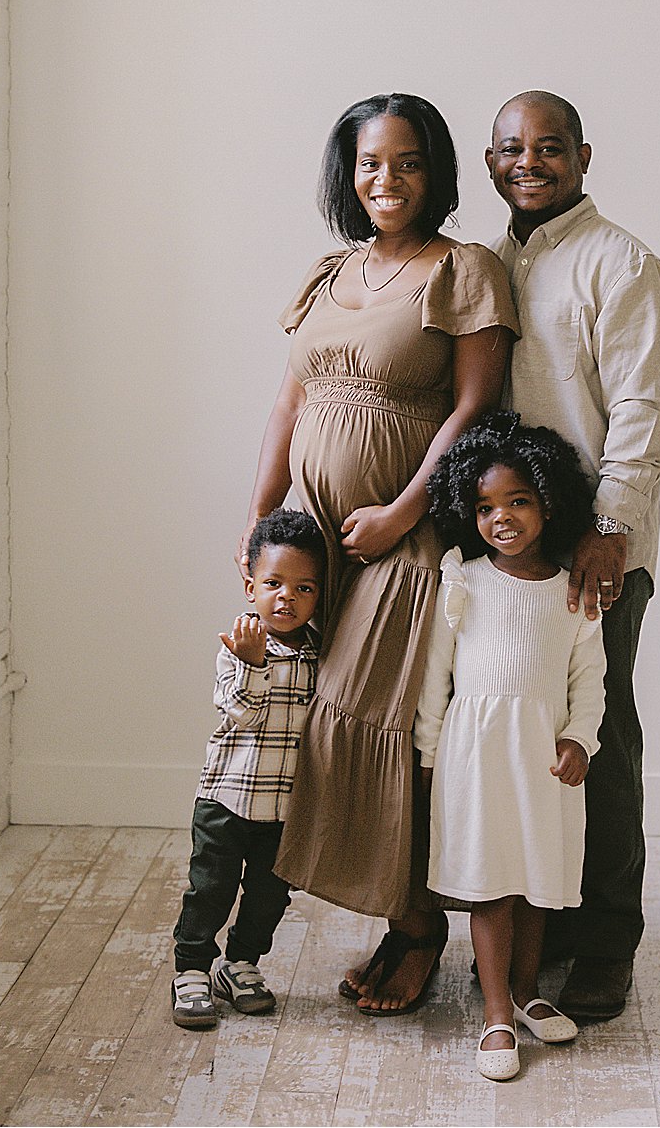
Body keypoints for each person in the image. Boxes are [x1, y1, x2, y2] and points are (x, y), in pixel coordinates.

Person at [237, 93, 519, 1014]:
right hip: (315, 534)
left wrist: (403, 512)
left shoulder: (464, 269)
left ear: (434, 172)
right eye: (367, 163)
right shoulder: (329, 273)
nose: (384, 180)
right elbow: (289, 405)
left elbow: (475, 407)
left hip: (404, 531)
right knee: (312, 716)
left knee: (372, 723)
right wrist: (259, 524)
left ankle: (417, 929)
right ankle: (396, 920)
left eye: (404, 163)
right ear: (345, 174)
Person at [485, 90, 660, 1023]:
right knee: (514, 744)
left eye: (549, 147)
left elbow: (644, 411)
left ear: (583, 155)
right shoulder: (486, 265)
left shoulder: (623, 264)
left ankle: (605, 945)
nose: (529, 162)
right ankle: (541, 931)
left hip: (592, 551)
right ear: (489, 163)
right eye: (511, 149)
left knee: (598, 745)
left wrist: (608, 532)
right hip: (498, 550)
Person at [415, 412, 607, 1079]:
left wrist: (580, 737)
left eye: (517, 501)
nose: (500, 517)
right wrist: (430, 754)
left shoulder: (572, 592)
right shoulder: (462, 580)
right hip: (475, 759)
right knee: (492, 885)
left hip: (541, 761)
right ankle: (495, 1010)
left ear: (548, 501)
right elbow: (435, 676)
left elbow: (589, 679)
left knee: (533, 883)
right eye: (484, 505)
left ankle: (526, 990)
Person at [170, 507, 324, 1029]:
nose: (287, 597)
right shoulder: (238, 645)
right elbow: (240, 712)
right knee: (210, 887)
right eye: (275, 583)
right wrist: (255, 664)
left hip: (283, 808)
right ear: (250, 585)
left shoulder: (318, 653)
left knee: (268, 895)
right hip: (228, 798)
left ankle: (240, 965)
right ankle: (191, 969)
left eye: (304, 588)